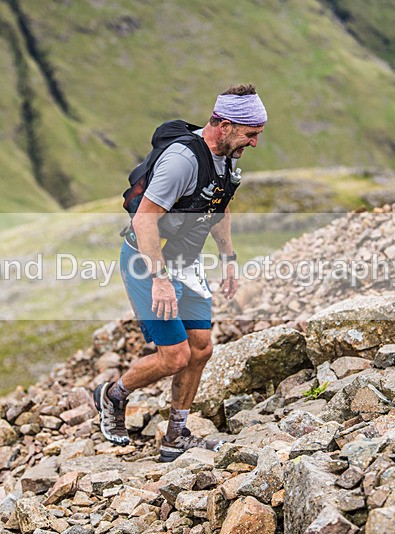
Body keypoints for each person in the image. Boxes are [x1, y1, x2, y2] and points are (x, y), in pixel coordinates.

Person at [94, 84, 267, 462]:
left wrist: (228, 257)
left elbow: (218, 206)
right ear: (223, 125)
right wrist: (160, 280)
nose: (254, 143)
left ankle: (175, 437)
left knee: (201, 349)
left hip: (186, 264)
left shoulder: (226, 156)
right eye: (250, 135)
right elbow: (144, 221)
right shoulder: (182, 161)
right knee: (175, 356)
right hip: (147, 261)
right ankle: (112, 395)